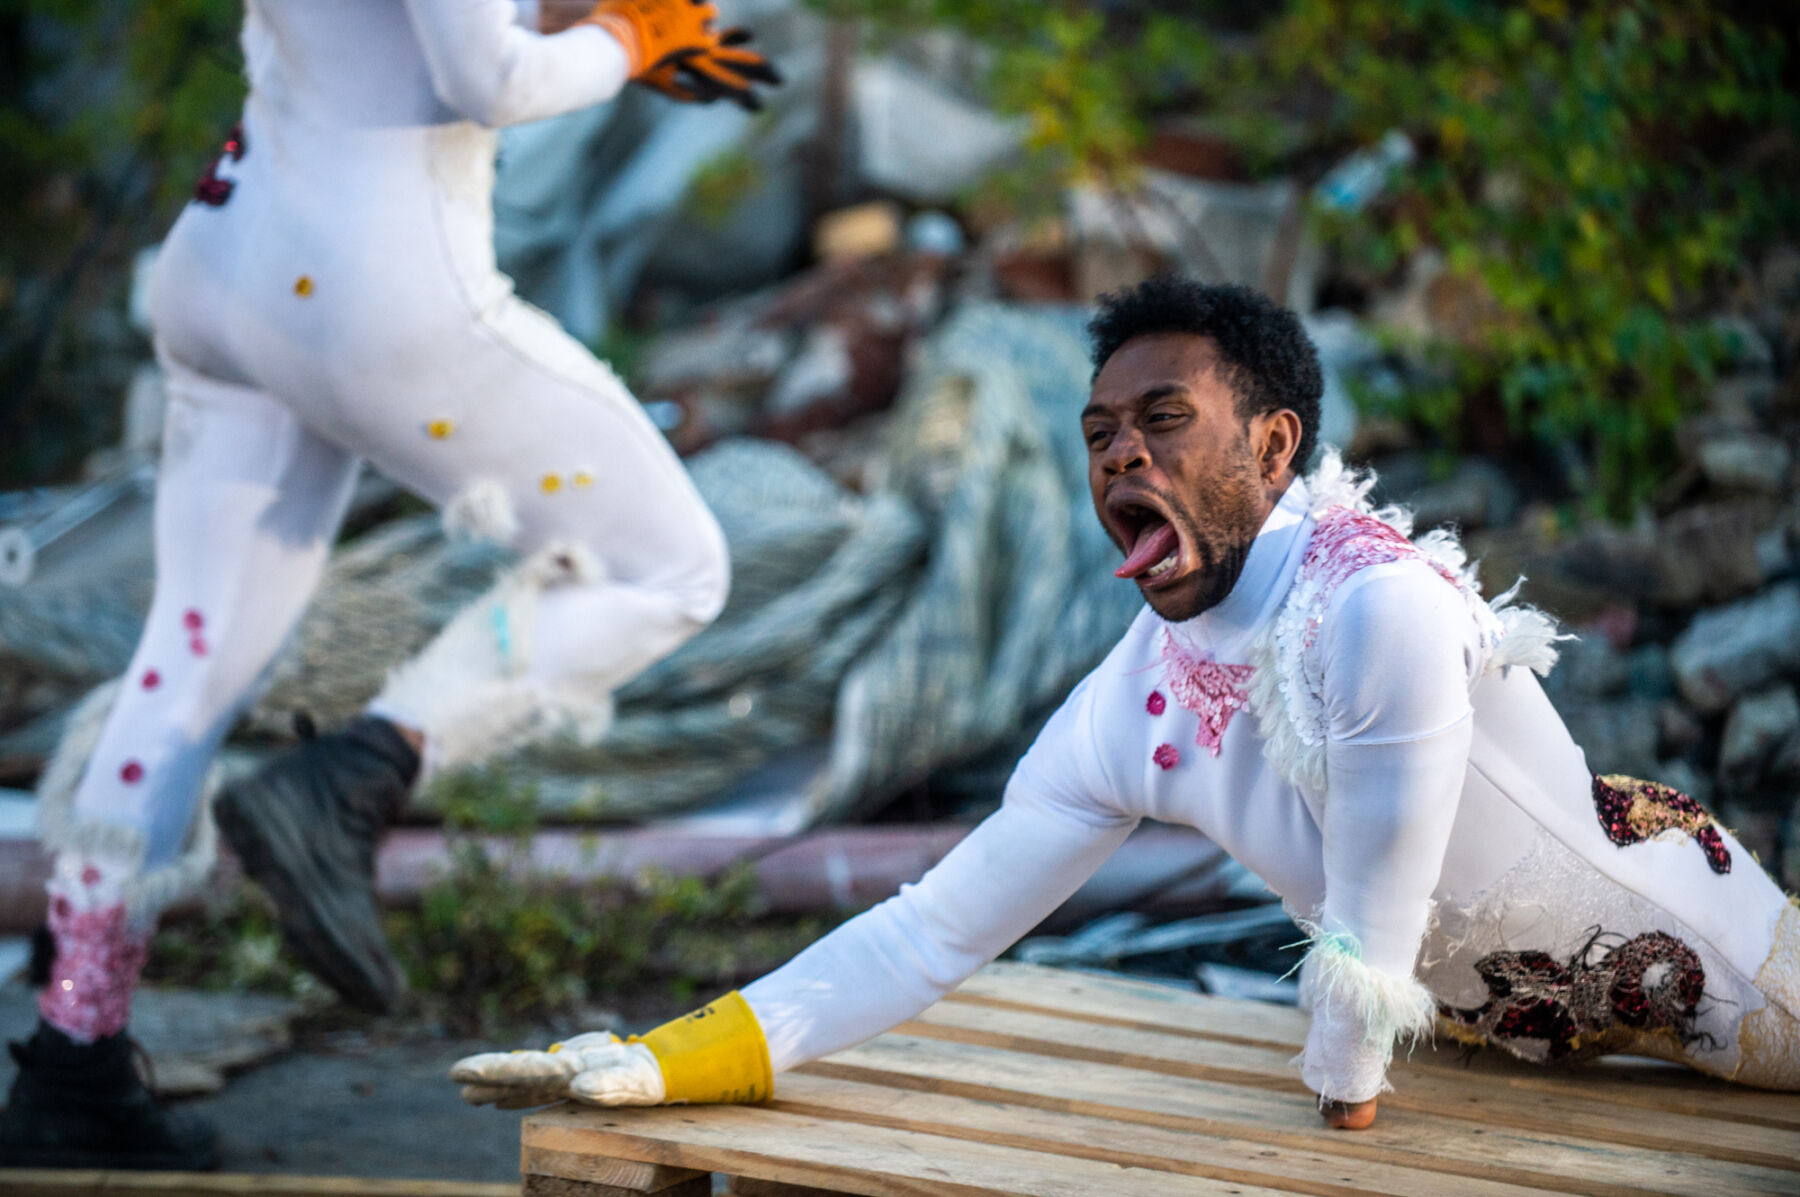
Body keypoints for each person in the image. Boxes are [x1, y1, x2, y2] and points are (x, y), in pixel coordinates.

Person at [451, 278, 1800, 1129]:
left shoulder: (1378, 603)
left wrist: (1340, 1105)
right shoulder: (1133, 700)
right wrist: (676, 1056)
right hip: (1509, 1050)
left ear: (1274, 446)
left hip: (1714, 956)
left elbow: (1371, 927)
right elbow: (932, 930)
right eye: (1101, 434)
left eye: (1165, 421)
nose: (1122, 455)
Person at [0, 0, 776, 1171]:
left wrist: (600, 24)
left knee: (186, 668)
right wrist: (630, 39)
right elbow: (490, 76)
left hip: (235, 258)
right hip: (376, 296)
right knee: (675, 567)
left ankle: (74, 1051)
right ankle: (356, 776)